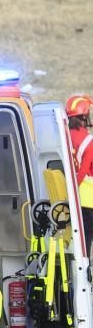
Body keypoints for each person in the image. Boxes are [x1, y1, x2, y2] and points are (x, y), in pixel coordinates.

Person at [66, 94, 93, 252]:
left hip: (70, 196)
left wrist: (71, 191)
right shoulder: (88, 140)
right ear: (84, 115)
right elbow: (84, 170)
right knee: (86, 241)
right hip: (87, 199)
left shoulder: (64, 135)